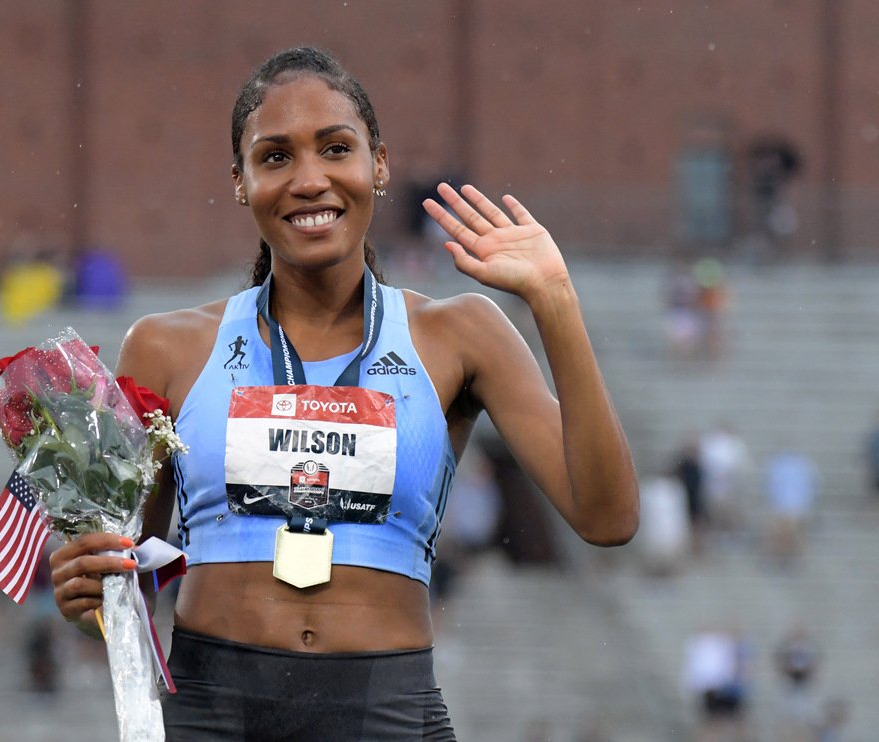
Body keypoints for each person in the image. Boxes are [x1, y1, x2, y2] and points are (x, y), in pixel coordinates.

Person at [49, 46, 639, 740]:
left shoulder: (461, 335)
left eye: (336, 148)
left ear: (378, 164)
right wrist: (87, 593)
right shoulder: (164, 348)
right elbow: (125, 580)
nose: (309, 180)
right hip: (212, 717)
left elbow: (607, 519)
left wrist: (555, 299)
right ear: (240, 181)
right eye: (275, 157)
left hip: (387, 715)